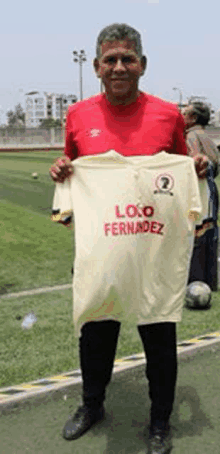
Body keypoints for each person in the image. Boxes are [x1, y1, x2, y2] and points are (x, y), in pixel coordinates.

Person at [50, 24, 209, 454]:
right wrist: (63, 170)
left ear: (143, 64)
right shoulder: (79, 115)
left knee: (159, 338)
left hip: (154, 253)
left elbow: (179, 169)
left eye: (128, 58)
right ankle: (92, 404)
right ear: (98, 67)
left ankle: (160, 421)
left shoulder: (166, 114)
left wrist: (192, 167)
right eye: (110, 59)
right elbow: (74, 165)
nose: (119, 66)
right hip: (105, 250)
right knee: (95, 334)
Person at [182, 102, 219, 291]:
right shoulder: (206, 137)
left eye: (185, 113)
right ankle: (208, 279)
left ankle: (195, 282)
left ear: (193, 118)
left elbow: (194, 164)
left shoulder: (191, 136)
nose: (182, 116)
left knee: (196, 232)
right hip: (210, 191)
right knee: (209, 231)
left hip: (199, 190)